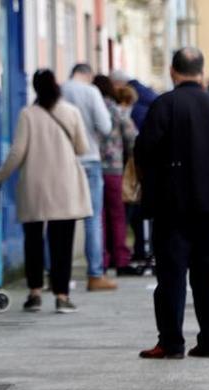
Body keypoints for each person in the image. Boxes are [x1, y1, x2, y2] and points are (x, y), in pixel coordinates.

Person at [134, 47, 209, 359]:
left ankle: (171, 342)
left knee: (171, 276)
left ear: (173, 72)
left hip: (172, 206)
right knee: (206, 274)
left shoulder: (165, 105)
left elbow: (145, 150)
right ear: (201, 72)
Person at [0, 69, 92, 313]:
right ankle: (62, 296)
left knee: (33, 241)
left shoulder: (27, 114)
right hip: (65, 186)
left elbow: (17, 152)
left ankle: (35, 293)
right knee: (62, 244)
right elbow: (82, 147)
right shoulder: (71, 112)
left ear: (35, 88)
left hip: (35, 186)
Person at [62, 63, 118, 291]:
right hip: (90, 159)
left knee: (58, 219)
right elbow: (105, 127)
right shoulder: (91, 92)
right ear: (88, 75)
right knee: (93, 219)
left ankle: (54, 274)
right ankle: (95, 274)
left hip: (64, 161)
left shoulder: (60, 90)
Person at [91, 75, 142, 276]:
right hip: (114, 169)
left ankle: (100, 259)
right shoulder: (117, 110)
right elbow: (132, 138)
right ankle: (120, 259)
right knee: (117, 215)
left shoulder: (87, 110)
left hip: (91, 166)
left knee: (97, 216)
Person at [111, 69, 159, 265]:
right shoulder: (150, 101)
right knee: (140, 209)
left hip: (128, 166)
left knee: (130, 209)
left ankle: (138, 249)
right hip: (147, 163)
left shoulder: (128, 112)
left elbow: (133, 141)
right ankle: (145, 248)